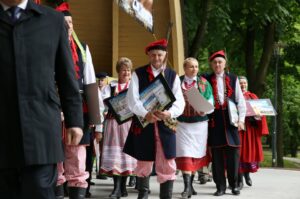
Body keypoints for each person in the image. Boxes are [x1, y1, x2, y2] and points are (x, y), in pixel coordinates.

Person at [0, 0, 83, 198]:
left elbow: (66, 75)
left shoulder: (52, 20)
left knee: (39, 189)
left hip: (41, 130)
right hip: (2, 129)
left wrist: (74, 120)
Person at [124, 39, 185, 199]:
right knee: (143, 159)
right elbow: (132, 100)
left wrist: (169, 113)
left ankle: (166, 196)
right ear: (149, 56)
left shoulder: (173, 75)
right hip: (145, 123)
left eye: (159, 54)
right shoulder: (138, 73)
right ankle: (143, 194)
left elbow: (180, 101)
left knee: (168, 160)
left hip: (166, 123)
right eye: (153, 55)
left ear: (165, 55)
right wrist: (145, 114)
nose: (156, 58)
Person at [54, 2, 101, 198]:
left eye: (71, 23)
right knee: (54, 157)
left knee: (77, 157)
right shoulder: (46, 46)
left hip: (78, 109)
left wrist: (97, 123)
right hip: (52, 107)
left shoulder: (83, 49)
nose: (69, 26)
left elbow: (90, 84)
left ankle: (77, 192)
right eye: (65, 23)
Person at [202, 50, 246, 196]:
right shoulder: (205, 79)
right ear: (211, 64)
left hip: (231, 120)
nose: (217, 64)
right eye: (214, 62)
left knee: (233, 155)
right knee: (217, 156)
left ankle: (234, 185)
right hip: (214, 121)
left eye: (220, 62)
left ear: (225, 63)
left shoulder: (233, 79)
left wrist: (241, 120)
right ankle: (220, 186)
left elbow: (240, 101)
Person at [175, 57, 214, 198]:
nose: (194, 69)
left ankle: (190, 186)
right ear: (185, 68)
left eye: (196, 67)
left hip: (199, 126)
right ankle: (186, 188)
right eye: (191, 66)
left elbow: (211, 103)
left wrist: (205, 109)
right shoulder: (177, 82)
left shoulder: (204, 83)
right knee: (185, 154)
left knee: (195, 155)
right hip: (182, 125)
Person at [99, 57, 137, 199]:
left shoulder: (134, 86)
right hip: (114, 124)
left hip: (128, 124)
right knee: (116, 154)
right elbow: (103, 104)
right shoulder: (110, 86)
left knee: (126, 153)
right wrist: (112, 99)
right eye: (123, 70)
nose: (126, 73)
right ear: (118, 71)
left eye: (128, 70)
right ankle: (116, 188)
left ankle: (123, 187)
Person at [237, 76, 269, 189]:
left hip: (250, 129)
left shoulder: (253, 97)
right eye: (240, 83)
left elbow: (261, 114)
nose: (243, 85)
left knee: (249, 153)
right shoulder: (233, 97)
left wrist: (259, 116)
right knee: (239, 154)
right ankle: (239, 180)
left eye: (244, 83)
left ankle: (247, 175)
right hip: (238, 128)